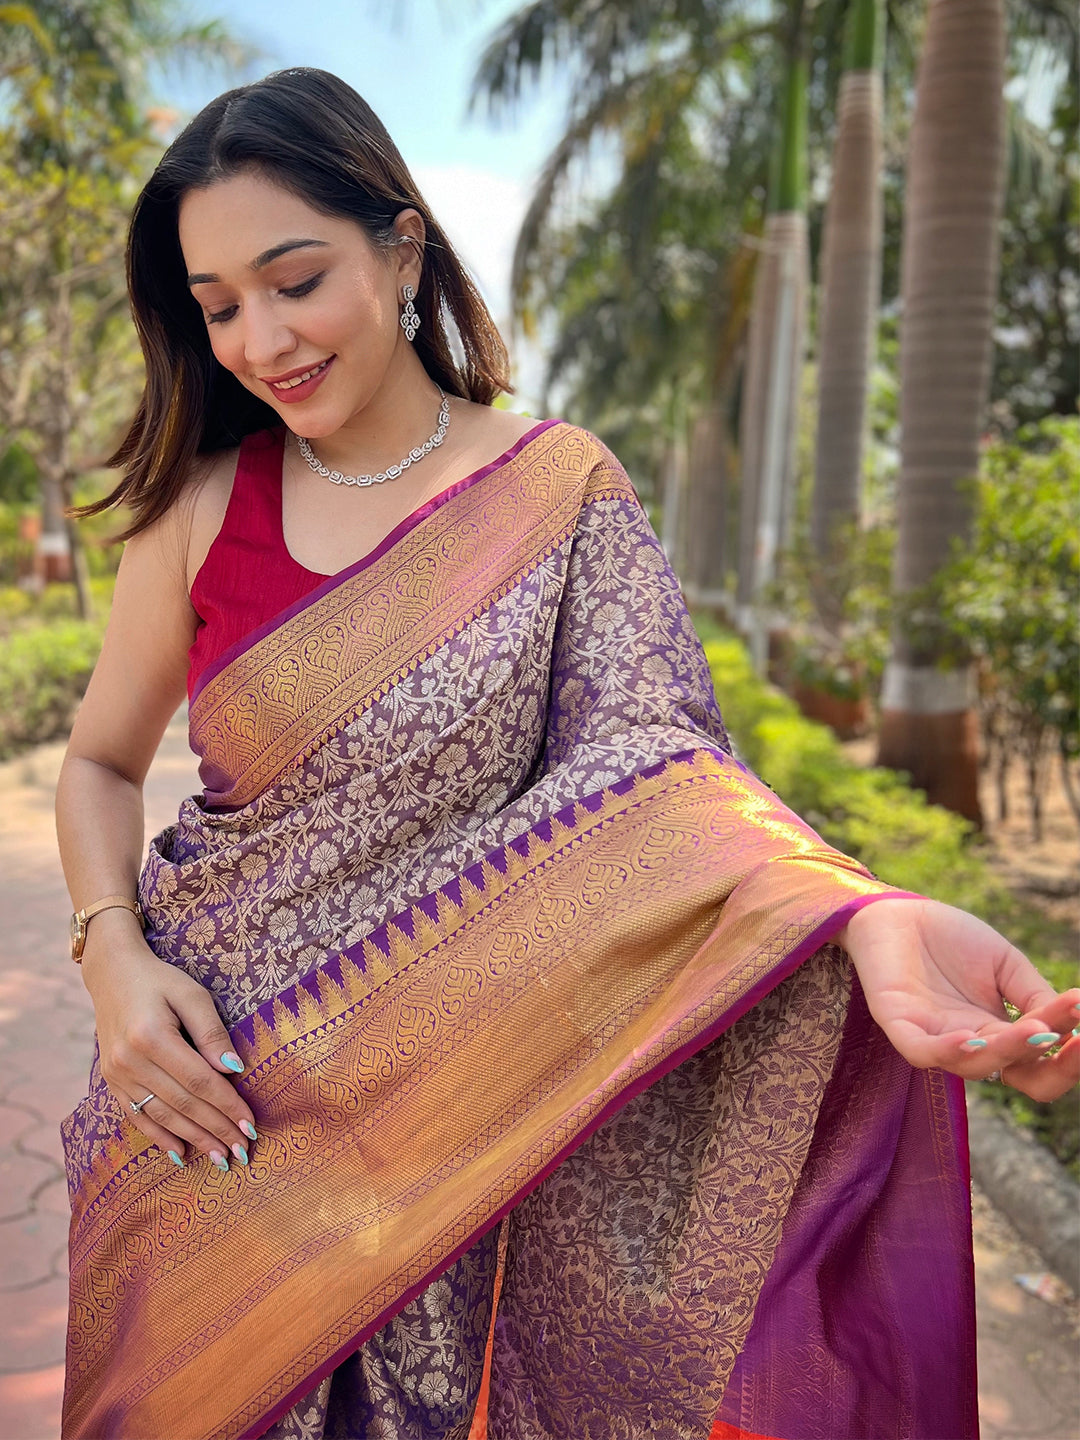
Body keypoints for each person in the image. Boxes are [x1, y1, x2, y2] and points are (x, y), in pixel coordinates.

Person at [54, 67, 1078, 1440]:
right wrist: (114, 961)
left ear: (402, 245)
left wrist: (865, 919)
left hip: (444, 1135)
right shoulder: (198, 506)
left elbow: (660, 779)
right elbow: (102, 766)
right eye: (217, 305)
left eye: (294, 280)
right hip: (204, 1120)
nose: (259, 340)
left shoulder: (557, 492)